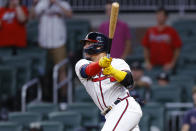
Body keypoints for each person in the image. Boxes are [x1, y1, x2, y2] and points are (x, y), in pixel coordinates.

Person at [75, 32, 142, 131]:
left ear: (99, 46)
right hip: (110, 114)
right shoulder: (81, 63)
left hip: (123, 107)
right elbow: (86, 71)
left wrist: (113, 71)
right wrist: (100, 64)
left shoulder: (117, 63)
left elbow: (129, 82)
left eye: (88, 43)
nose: (85, 47)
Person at [32, 0, 72, 101]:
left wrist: (55, 3)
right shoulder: (42, 3)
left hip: (58, 42)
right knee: (42, 72)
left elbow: (69, 14)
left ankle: (64, 98)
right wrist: (34, 4)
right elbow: (32, 16)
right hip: (43, 43)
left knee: (61, 70)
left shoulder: (63, 3)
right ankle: (44, 96)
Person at [142, 7, 182, 71]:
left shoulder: (171, 31)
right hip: (152, 65)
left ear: (166, 17)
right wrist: (147, 62)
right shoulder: (150, 30)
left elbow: (177, 48)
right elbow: (146, 47)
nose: (159, 17)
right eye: (158, 15)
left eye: (161, 15)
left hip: (167, 65)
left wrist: (172, 63)